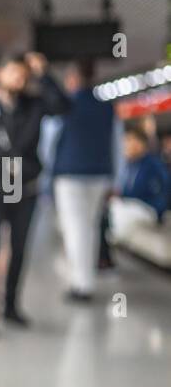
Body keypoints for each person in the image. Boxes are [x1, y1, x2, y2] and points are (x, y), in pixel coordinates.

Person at [0, 52, 70, 338]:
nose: (18, 78)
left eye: (23, 73)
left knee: (20, 250)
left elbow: (63, 106)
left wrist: (44, 73)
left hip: (26, 189)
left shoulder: (35, 105)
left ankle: (10, 307)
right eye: (13, 72)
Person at [51, 59, 120, 302]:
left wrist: (48, 172)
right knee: (89, 228)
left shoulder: (65, 105)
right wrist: (115, 179)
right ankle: (85, 278)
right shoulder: (107, 107)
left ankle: (81, 284)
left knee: (74, 228)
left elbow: (51, 143)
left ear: (72, 79)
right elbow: (116, 144)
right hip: (100, 175)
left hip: (70, 175)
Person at [102, 126, 171, 255]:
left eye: (130, 140)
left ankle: (110, 243)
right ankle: (105, 248)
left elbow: (160, 193)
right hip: (130, 205)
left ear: (141, 143)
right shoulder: (129, 165)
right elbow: (127, 190)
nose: (126, 145)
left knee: (119, 214)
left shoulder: (153, 165)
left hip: (150, 208)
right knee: (110, 208)